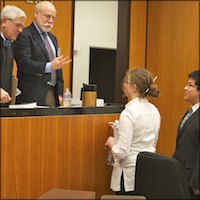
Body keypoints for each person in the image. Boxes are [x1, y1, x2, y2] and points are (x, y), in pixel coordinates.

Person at [105, 68, 161, 194]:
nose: (123, 84)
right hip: (147, 170)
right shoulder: (154, 110)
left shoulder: (129, 113)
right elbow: (149, 139)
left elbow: (122, 152)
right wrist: (119, 127)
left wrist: (112, 143)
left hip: (128, 173)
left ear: (134, 87)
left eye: (126, 81)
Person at [14, 1, 71, 107]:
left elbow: (57, 66)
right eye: (47, 16)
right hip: (32, 94)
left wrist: (59, 92)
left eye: (53, 18)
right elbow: (24, 64)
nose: (50, 21)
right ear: (36, 14)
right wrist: (49, 66)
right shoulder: (25, 35)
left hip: (52, 93)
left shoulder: (53, 38)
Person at [173, 70, 200, 199]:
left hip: (193, 182)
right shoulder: (190, 112)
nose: (185, 88)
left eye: (190, 85)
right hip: (182, 176)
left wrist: (196, 182)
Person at [0, 5, 26, 105]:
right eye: (17, 25)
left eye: (22, 27)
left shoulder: (9, 43)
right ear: (4, 21)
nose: (20, 30)